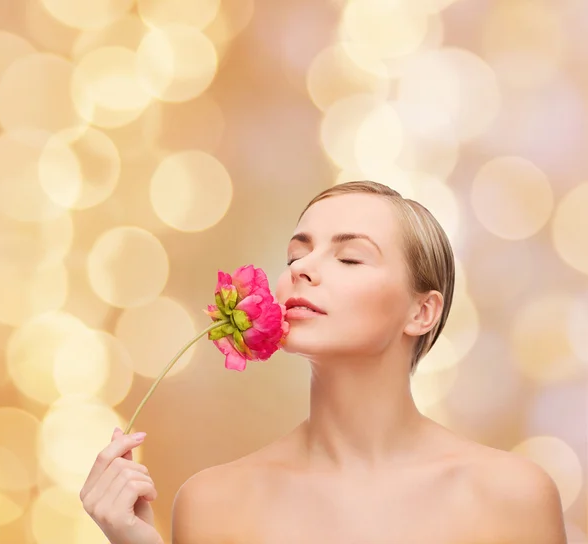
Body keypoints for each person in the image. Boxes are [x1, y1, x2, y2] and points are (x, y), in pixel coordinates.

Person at [81, 181, 567, 544]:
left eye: (350, 258)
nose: (302, 270)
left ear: (422, 312)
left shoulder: (512, 496)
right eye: (296, 255)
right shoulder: (212, 502)